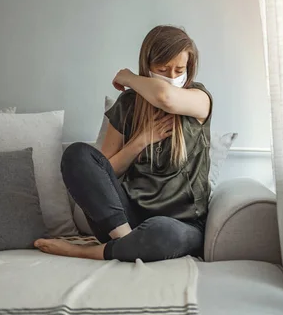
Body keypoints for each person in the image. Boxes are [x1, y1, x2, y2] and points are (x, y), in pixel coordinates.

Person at [34, 25, 212, 262]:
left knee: (163, 231)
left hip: (181, 225)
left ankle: (87, 252)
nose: (171, 78)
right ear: (147, 66)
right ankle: (128, 243)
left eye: (179, 70)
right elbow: (105, 172)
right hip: (122, 221)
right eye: (163, 69)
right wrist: (140, 141)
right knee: (77, 155)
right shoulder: (128, 104)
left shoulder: (198, 100)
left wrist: (127, 77)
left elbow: (165, 96)